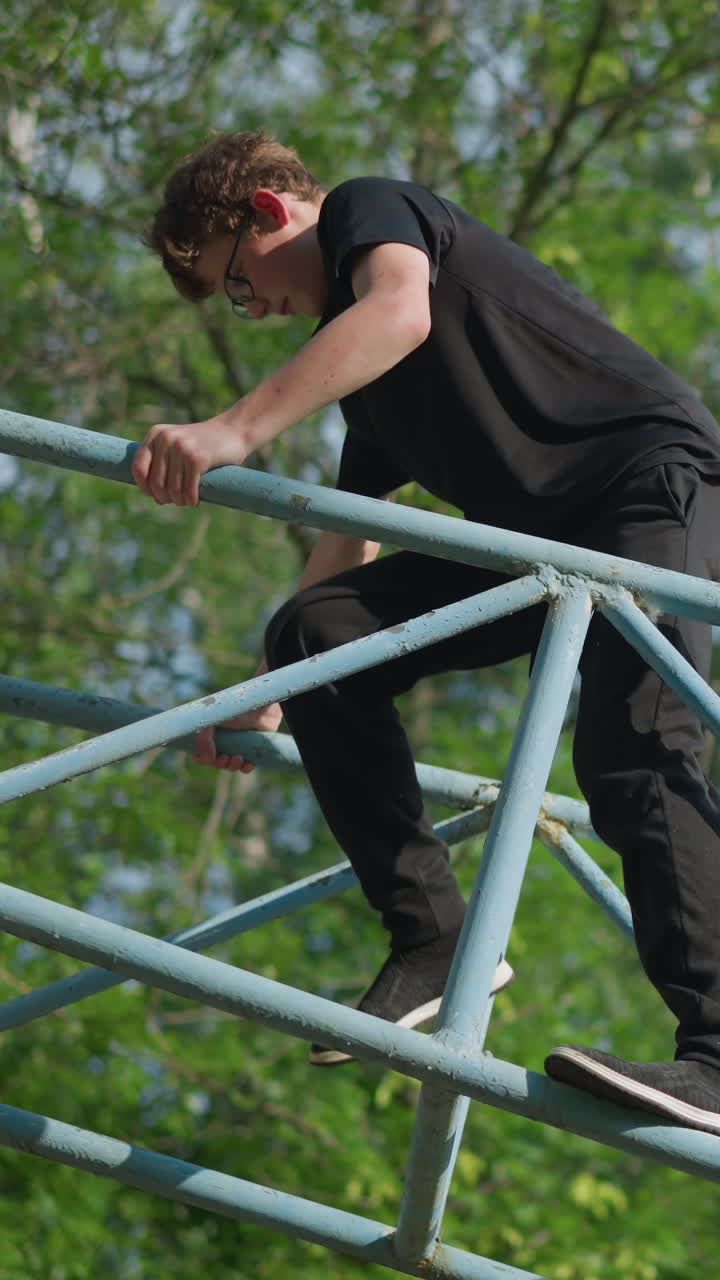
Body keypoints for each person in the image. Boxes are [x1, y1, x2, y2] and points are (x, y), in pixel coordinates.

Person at [134, 130, 720, 1128]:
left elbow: (399, 308)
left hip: (646, 490)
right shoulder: (369, 385)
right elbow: (345, 551)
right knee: (315, 631)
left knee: (630, 748)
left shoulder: (373, 208)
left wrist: (232, 431)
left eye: (238, 283)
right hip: (544, 548)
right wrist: (266, 689)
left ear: (272, 212)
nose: (257, 308)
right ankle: (437, 939)